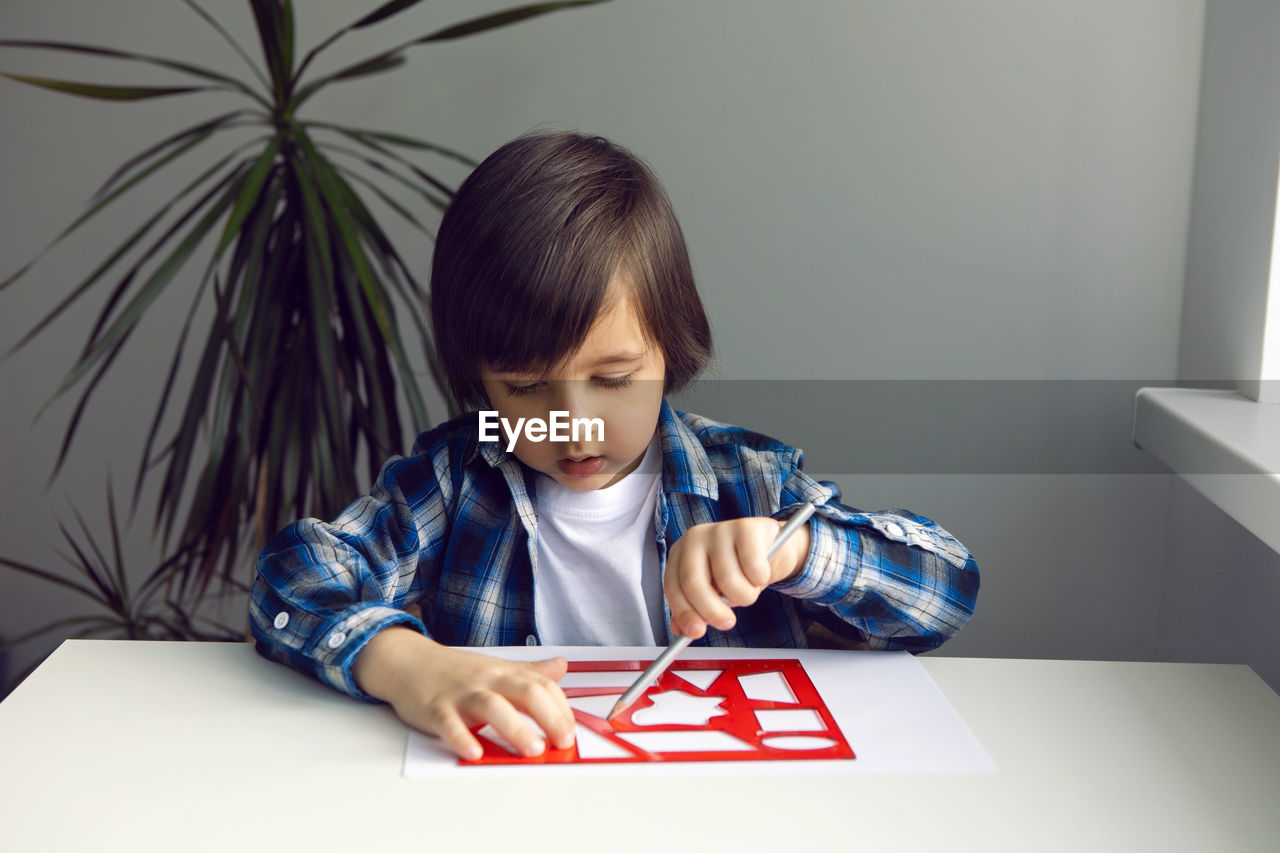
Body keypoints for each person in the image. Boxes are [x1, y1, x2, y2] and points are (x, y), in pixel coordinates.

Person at [250, 130, 980, 761]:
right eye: (526, 387)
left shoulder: (748, 482)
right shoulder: (454, 481)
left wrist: (794, 551)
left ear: (671, 344)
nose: (573, 423)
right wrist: (410, 666)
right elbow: (293, 575)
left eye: (614, 378)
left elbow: (945, 589)